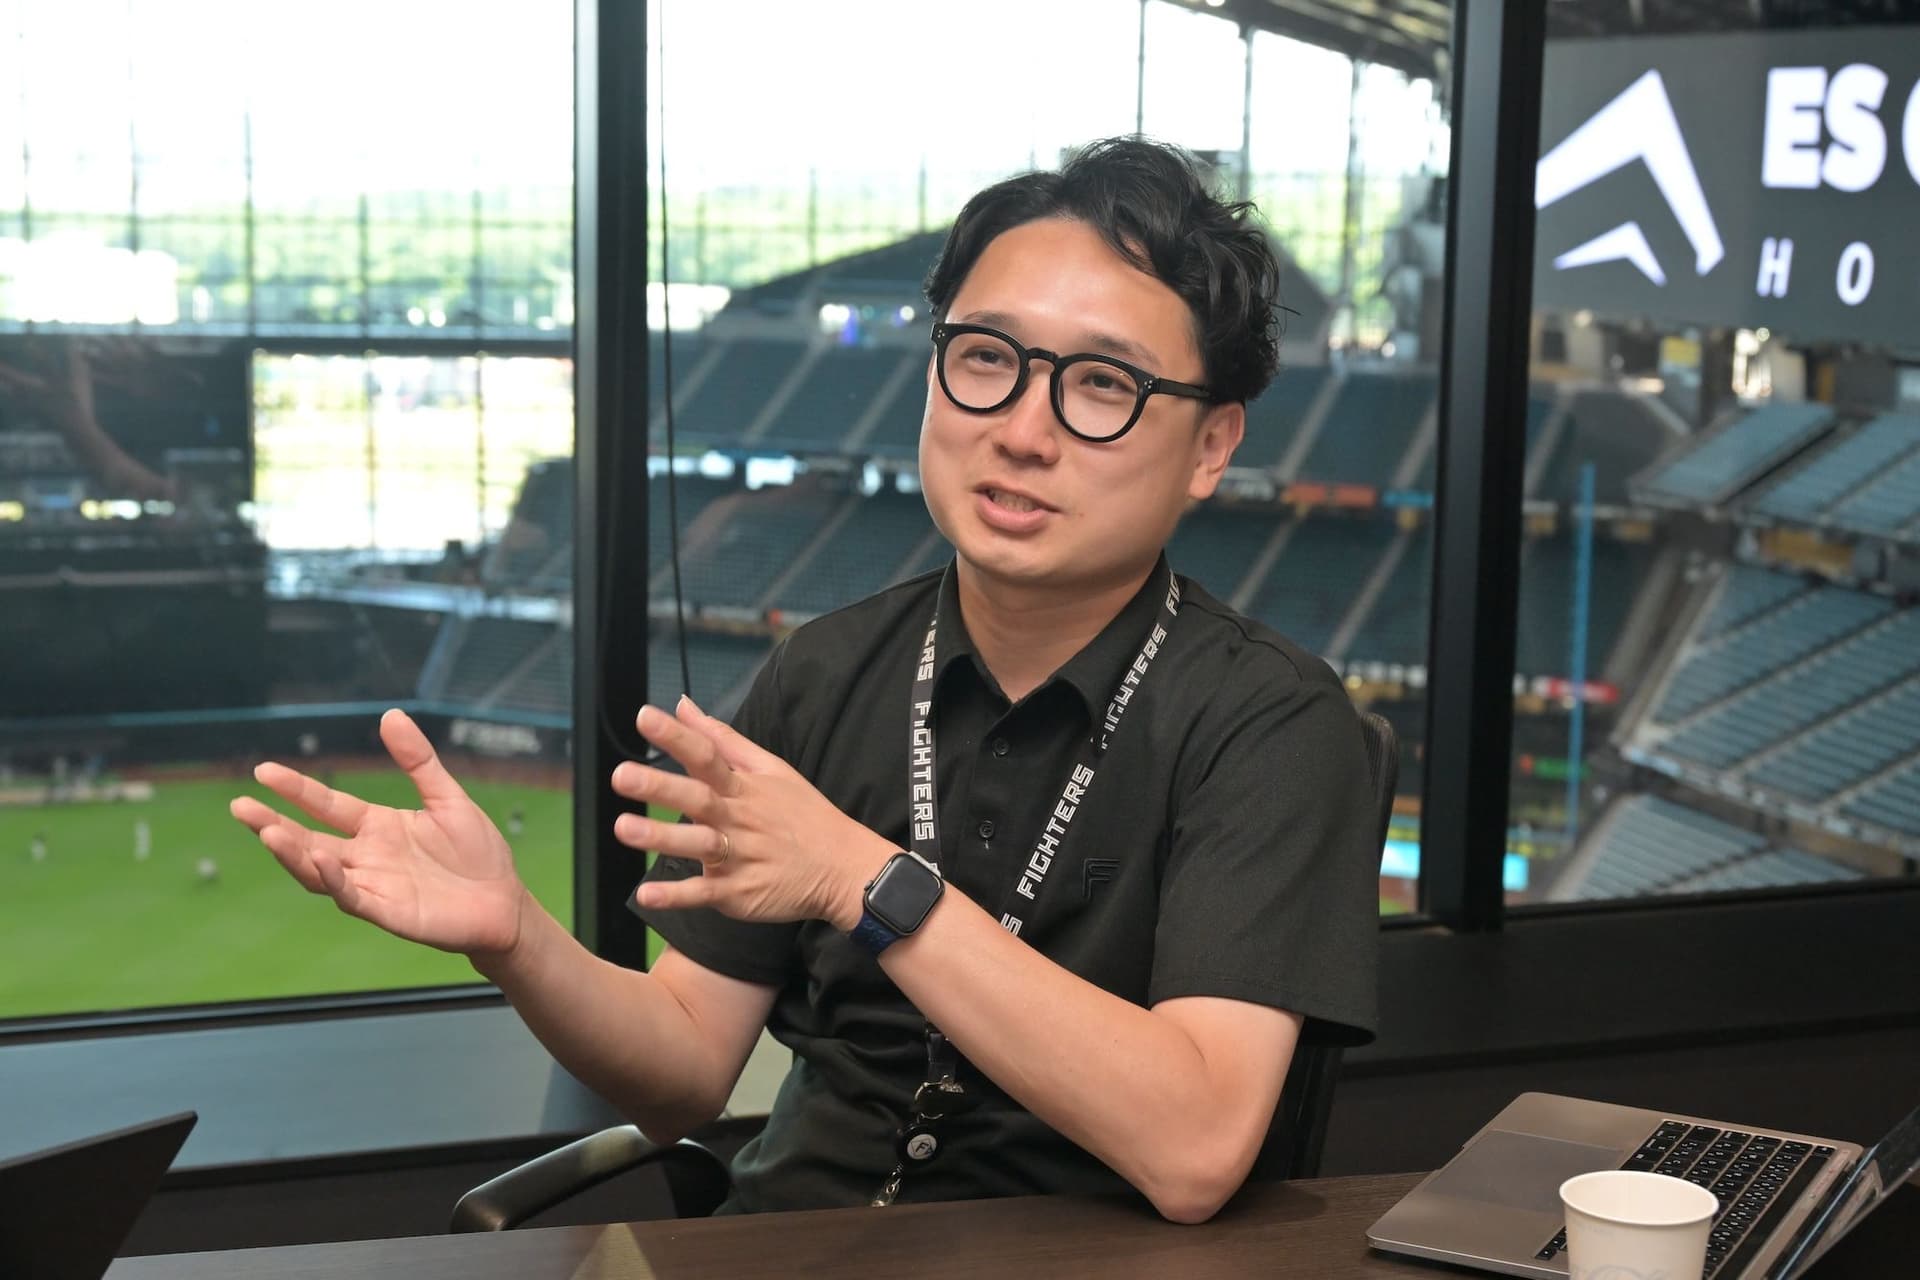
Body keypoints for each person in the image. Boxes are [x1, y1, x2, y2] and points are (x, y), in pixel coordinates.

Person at [229, 137, 1379, 1223]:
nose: (1024, 429)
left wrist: (861, 877)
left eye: (1102, 383)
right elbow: (685, 1063)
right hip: (790, 1240)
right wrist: (516, 936)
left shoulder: (1271, 723)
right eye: (987, 358)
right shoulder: (826, 671)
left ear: (1212, 445)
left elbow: (1195, 1147)